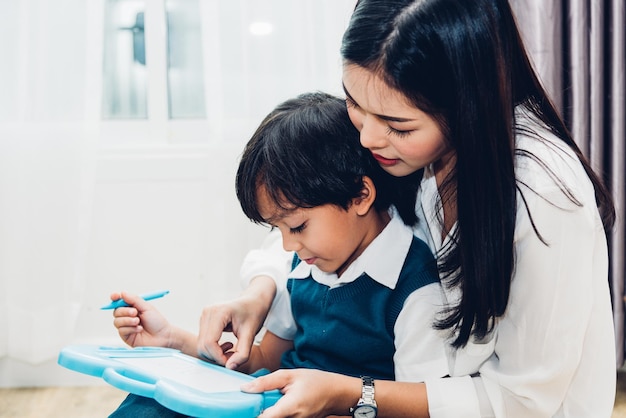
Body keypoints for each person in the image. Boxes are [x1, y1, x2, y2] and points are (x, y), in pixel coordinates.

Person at [196, 1, 617, 417]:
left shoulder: (543, 197)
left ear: (466, 104)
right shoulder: (408, 149)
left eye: (397, 125)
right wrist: (260, 292)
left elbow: (523, 402)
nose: (367, 139)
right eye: (354, 103)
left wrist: (349, 394)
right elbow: (319, 218)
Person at [108, 92, 448, 417]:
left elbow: (418, 406)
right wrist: (173, 340)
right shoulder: (305, 267)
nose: (287, 247)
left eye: (297, 227)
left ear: (360, 195)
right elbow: (266, 360)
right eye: (277, 229)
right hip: (274, 404)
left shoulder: (415, 290)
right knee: (151, 404)